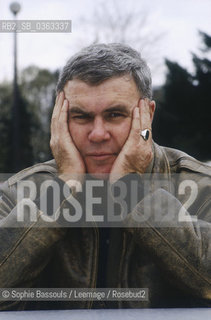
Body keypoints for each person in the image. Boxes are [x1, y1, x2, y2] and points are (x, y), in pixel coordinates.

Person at [0, 43, 210, 311]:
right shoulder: (19, 192)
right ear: (59, 120)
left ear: (148, 116)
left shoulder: (201, 187)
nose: (98, 134)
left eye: (114, 115)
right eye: (82, 117)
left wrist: (132, 190)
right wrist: (63, 189)